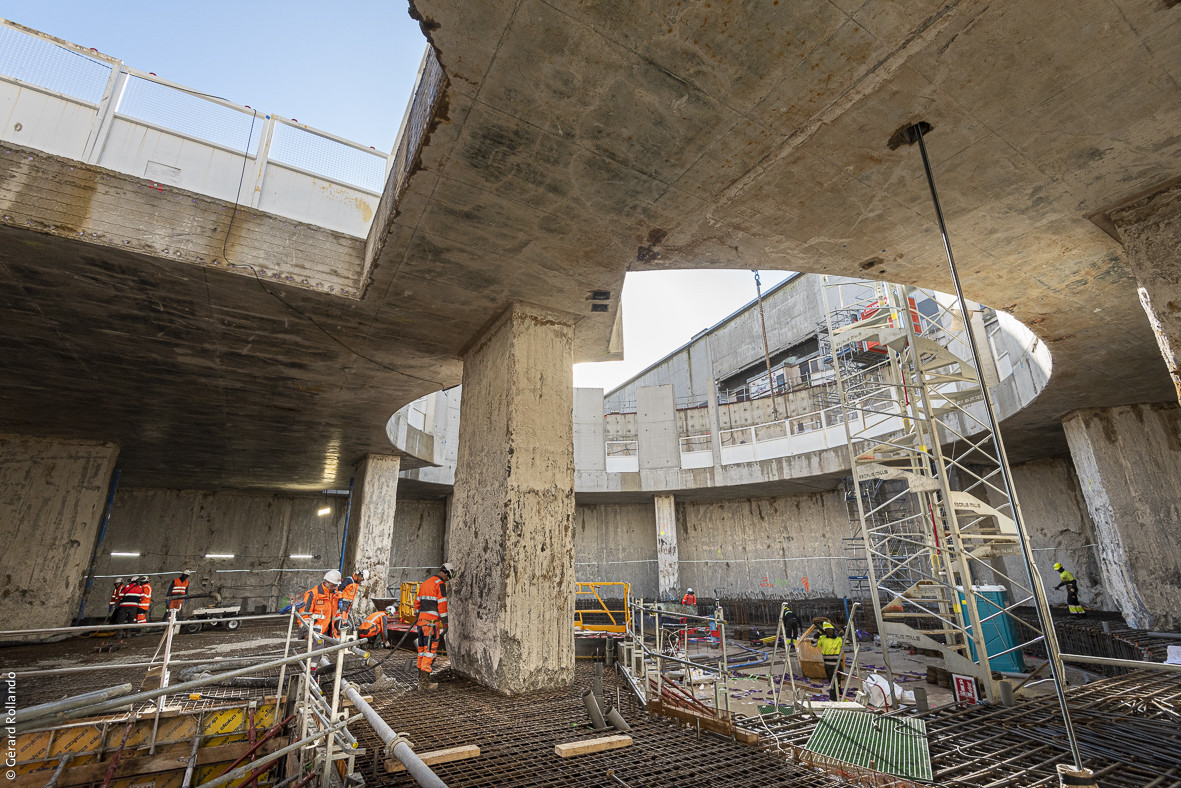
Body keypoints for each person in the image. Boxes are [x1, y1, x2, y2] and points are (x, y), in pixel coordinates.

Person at [413, 562, 454, 691]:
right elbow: (442, 605)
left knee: (422, 651)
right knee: (430, 652)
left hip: (421, 623)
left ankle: (421, 681)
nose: (448, 580)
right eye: (449, 577)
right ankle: (425, 684)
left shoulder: (426, 583)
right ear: (446, 573)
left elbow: (417, 602)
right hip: (431, 624)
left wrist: (418, 617)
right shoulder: (440, 585)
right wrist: (445, 623)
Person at [296, 570, 342, 634]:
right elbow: (304, 616)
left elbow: (336, 614)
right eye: (333, 585)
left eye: (336, 585)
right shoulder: (312, 594)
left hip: (330, 632)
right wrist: (307, 633)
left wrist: (339, 627)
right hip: (315, 633)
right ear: (326, 582)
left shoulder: (335, 596)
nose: (334, 588)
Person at [812, 620, 844, 700]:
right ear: (824, 631)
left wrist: (842, 634)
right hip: (828, 665)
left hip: (837, 666)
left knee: (836, 684)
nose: (829, 632)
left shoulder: (838, 639)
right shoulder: (823, 639)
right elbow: (813, 644)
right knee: (832, 683)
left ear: (833, 630)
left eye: (830, 630)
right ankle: (840, 697)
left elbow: (847, 641)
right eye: (827, 630)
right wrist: (817, 634)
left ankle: (833, 699)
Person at [334, 569, 370, 634]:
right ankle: (340, 626)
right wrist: (340, 599)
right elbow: (339, 589)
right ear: (360, 575)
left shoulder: (355, 583)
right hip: (343, 600)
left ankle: (343, 625)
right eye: (362, 578)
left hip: (348, 602)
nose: (362, 580)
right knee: (342, 614)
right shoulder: (349, 580)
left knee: (346, 614)